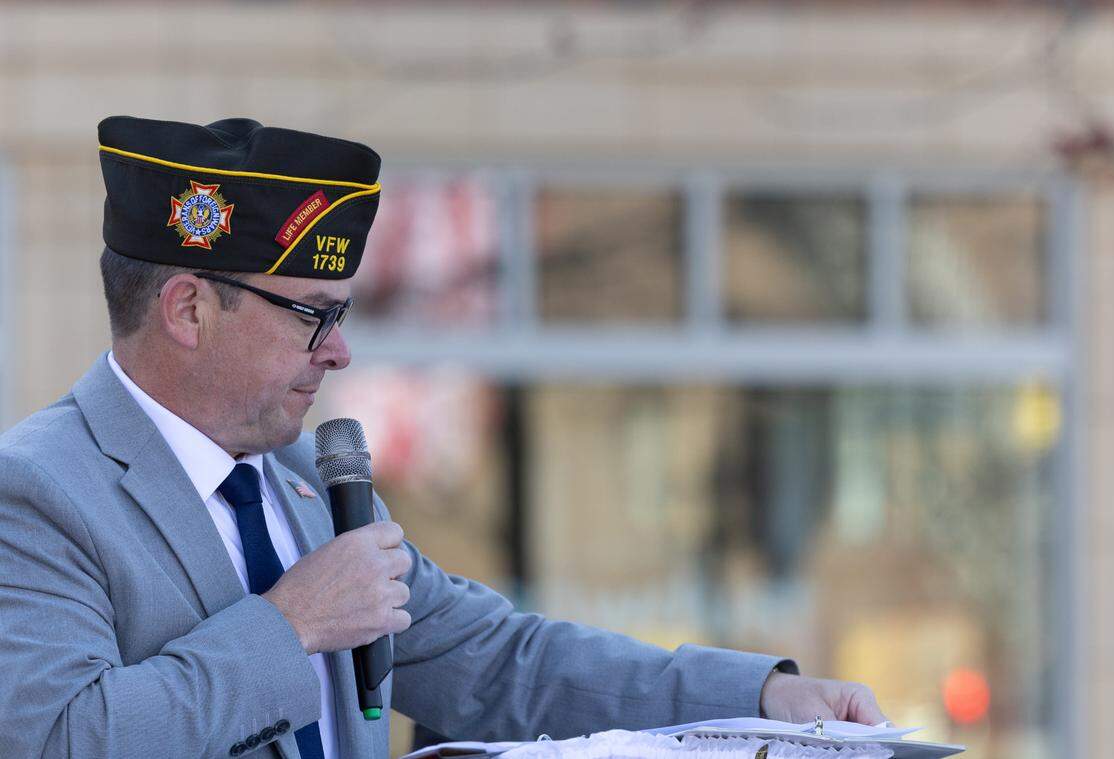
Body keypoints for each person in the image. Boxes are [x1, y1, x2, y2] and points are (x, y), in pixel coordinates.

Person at [0, 116, 886, 759]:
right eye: (311, 316)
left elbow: (501, 662)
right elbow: (58, 737)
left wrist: (760, 700)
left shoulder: (306, 481)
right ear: (189, 308)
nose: (340, 351)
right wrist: (290, 624)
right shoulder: (39, 490)